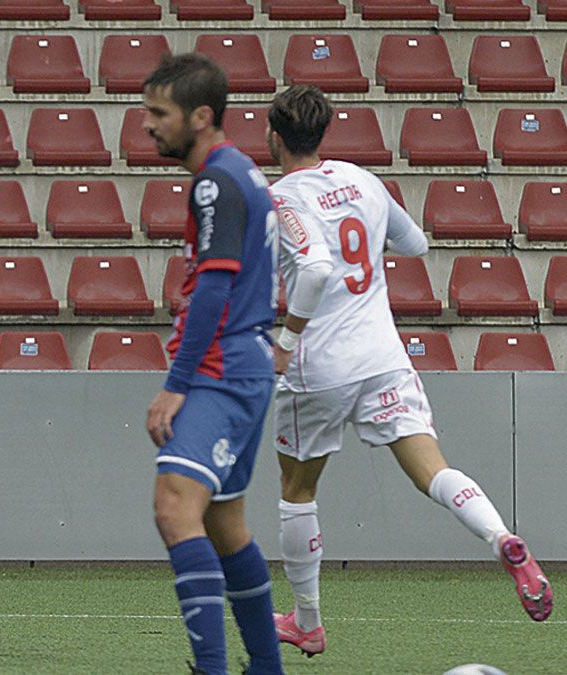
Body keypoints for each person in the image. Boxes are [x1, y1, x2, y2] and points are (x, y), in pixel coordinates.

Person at [266, 84, 553, 657]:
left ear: (272, 136)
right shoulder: (363, 181)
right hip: (383, 355)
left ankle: (308, 621)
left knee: (297, 491)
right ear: (323, 134)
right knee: (432, 469)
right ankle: (502, 538)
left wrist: (284, 340)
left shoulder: (279, 200)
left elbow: (315, 272)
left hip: (318, 364)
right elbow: (416, 244)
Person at [141, 54, 283, 675]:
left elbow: (217, 288)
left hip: (223, 368)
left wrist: (176, 386)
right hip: (249, 364)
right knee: (225, 524)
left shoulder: (214, 182)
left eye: (158, 113)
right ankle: (267, 668)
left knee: (175, 505)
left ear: (201, 116)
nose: (147, 125)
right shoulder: (245, 174)